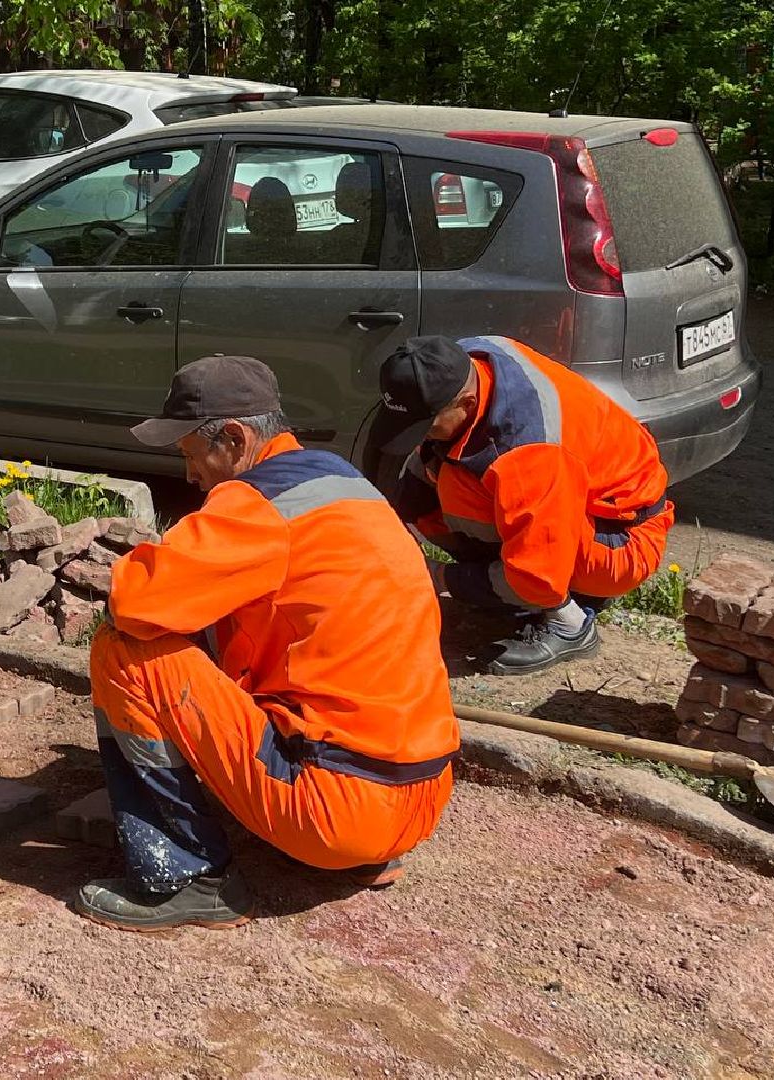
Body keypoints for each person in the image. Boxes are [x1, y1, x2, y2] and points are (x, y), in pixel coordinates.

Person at [79, 355, 459, 932]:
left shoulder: (259, 503)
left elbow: (132, 605)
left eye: (191, 456)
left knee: (123, 648)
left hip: (335, 809)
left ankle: (185, 876)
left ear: (233, 439)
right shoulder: (344, 484)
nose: (190, 478)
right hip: (420, 800)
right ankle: (363, 858)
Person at [362, 335, 674, 676]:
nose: (421, 436)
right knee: (441, 476)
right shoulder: (459, 363)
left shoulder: (529, 452)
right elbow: (415, 475)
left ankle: (569, 624)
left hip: (621, 539)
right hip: (571, 501)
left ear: (466, 404)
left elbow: (535, 575)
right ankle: (503, 586)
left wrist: (437, 577)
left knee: (460, 494)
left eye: (426, 426)